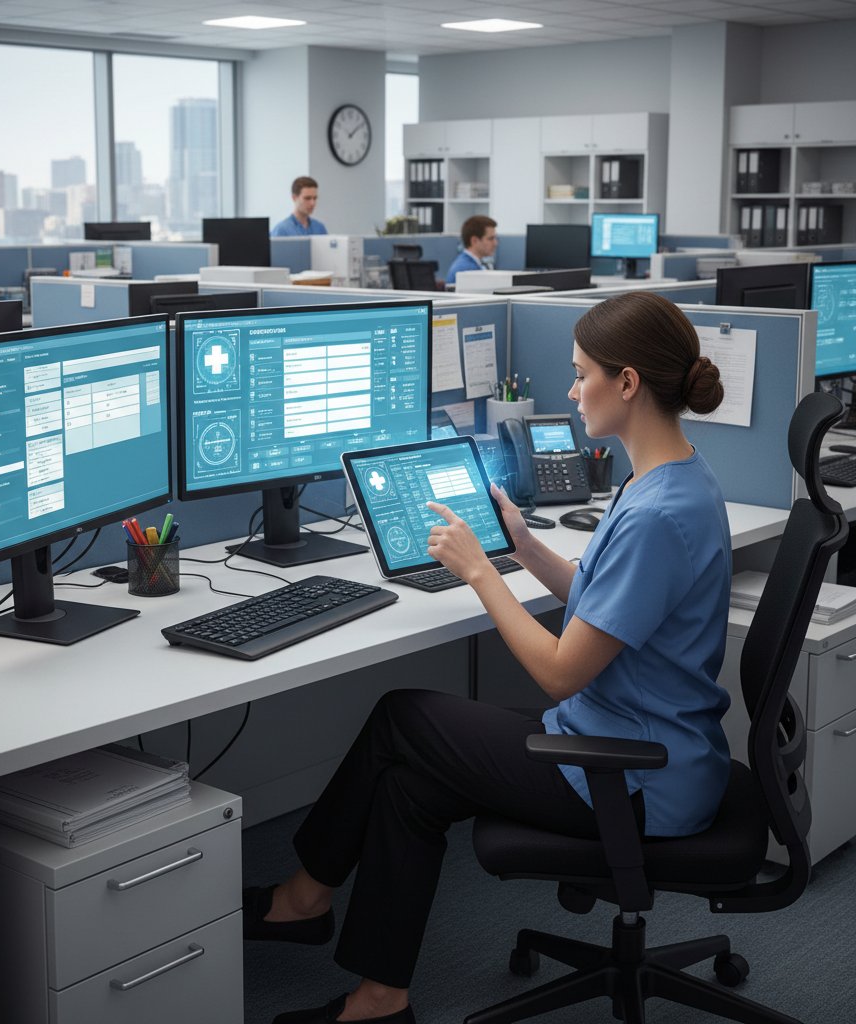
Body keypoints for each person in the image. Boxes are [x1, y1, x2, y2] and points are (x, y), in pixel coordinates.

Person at [244, 290, 731, 1024]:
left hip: (634, 776)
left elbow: (561, 669)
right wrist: (522, 544)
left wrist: (479, 571)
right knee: (410, 784)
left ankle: (304, 899)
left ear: (627, 382)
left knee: (402, 717)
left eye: (582, 373)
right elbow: (605, 602)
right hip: (632, 740)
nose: (572, 390)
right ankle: (377, 998)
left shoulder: (658, 514)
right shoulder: (671, 476)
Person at [445, 215, 497, 285]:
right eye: (490, 239)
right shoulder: (467, 270)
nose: (495, 243)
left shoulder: (472, 264)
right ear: (474, 241)